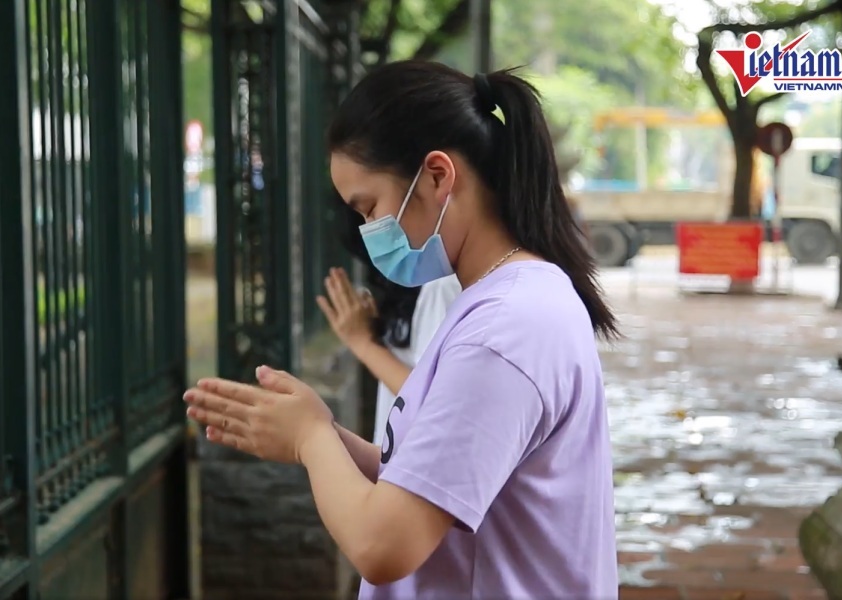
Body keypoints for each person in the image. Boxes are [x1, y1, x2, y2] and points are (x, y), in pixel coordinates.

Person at [184, 60, 619, 598]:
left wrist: (311, 439)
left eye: (369, 208)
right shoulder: (501, 301)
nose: (368, 232)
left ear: (437, 176)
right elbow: (433, 480)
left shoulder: (504, 329)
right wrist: (320, 432)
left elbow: (383, 545)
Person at [319, 203, 460, 445]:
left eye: (371, 205)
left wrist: (363, 343)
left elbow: (433, 402)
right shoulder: (420, 285)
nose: (371, 224)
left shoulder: (442, 285)